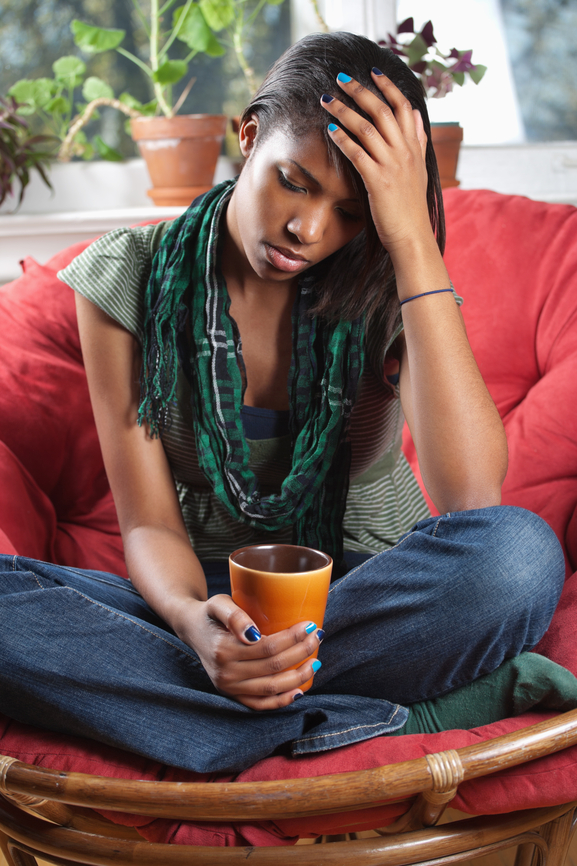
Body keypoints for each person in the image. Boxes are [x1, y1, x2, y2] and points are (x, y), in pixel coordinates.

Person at [0, 32, 565, 775]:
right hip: (209, 598)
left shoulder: (385, 275)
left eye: (350, 212)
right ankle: (390, 716)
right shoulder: (126, 279)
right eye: (294, 181)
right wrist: (193, 628)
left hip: (376, 594)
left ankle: (198, 717)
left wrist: (407, 238)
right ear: (248, 134)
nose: (310, 230)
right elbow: (145, 521)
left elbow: (469, 498)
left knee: (516, 558)